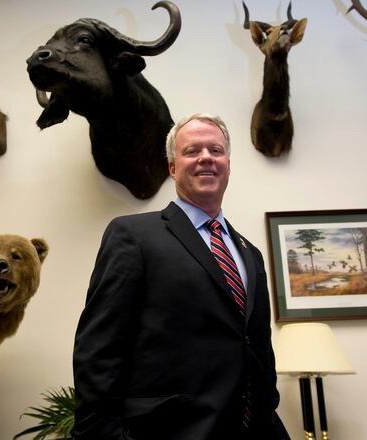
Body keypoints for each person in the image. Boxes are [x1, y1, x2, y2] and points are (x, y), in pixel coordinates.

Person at [72, 113, 289, 439]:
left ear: (228, 165)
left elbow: (256, 346)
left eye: (215, 150)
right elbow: (98, 349)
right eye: (192, 151)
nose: (206, 158)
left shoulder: (249, 252)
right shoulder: (133, 236)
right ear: (173, 167)